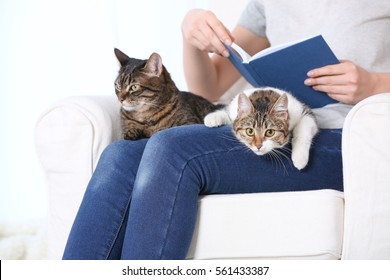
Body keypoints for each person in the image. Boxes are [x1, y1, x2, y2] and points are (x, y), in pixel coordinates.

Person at [62, 0, 390, 259]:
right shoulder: (267, 4)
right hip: (271, 131)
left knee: (171, 148)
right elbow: (210, 87)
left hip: (350, 142)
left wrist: (374, 84)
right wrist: (190, 34)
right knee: (120, 155)